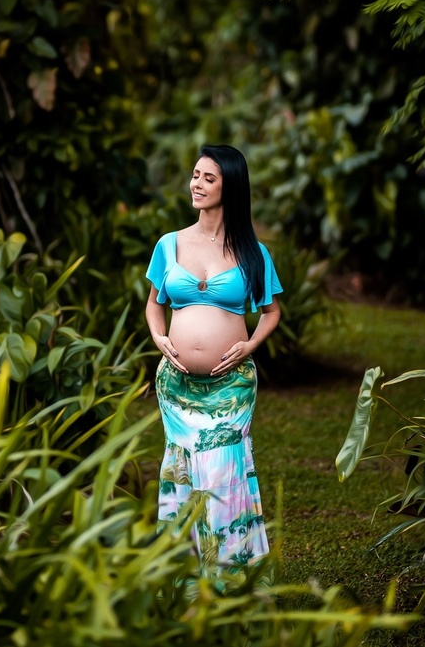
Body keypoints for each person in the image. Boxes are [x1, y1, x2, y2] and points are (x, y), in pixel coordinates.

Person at [145, 144, 283, 574]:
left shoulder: (252, 252)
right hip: (177, 387)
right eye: (195, 175)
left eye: (209, 178)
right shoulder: (169, 245)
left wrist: (248, 346)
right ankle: (184, 578)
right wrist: (160, 337)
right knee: (183, 473)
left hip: (231, 387)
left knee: (223, 473)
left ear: (231, 186)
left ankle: (229, 575)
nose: (197, 184)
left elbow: (272, 312)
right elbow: (154, 304)